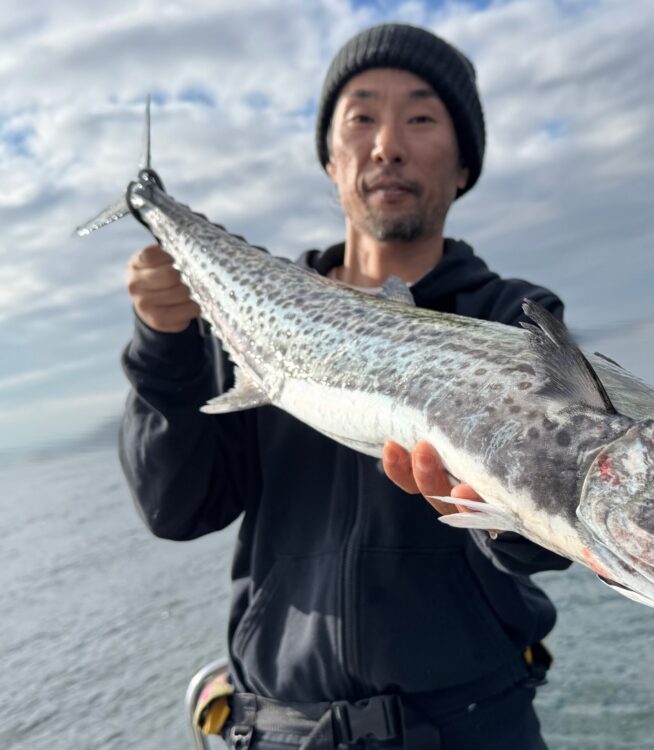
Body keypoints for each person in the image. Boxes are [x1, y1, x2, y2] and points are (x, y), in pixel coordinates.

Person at [120, 23, 571, 750]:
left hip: (473, 726)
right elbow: (177, 507)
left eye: (420, 119)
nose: (387, 144)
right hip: (279, 730)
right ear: (331, 161)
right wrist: (163, 344)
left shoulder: (516, 322)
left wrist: (503, 511)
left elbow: (546, 538)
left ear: (464, 166)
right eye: (361, 118)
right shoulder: (256, 319)